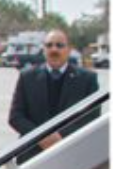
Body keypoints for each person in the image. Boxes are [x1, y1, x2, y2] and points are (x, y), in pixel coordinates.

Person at [8, 28, 99, 161]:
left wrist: (61, 137)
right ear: (44, 49)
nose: (54, 50)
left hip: (72, 155)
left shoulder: (87, 79)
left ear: (69, 50)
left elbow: (92, 117)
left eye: (59, 45)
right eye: (49, 45)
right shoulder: (27, 77)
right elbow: (15, 117)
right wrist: (41, 137)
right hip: (32, 156)